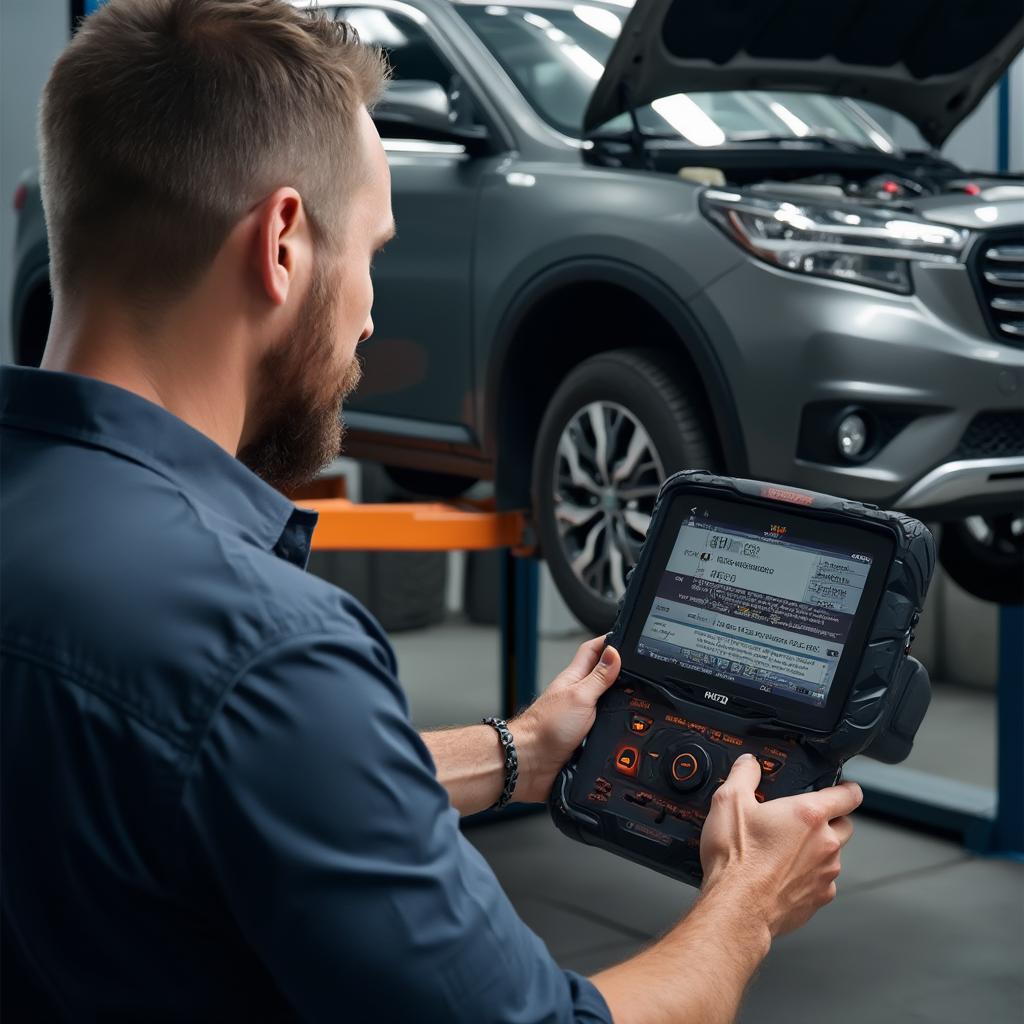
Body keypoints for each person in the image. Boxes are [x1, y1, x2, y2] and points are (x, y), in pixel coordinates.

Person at [0, 2, 863, 1021]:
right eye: (369, 250)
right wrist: (746, 903)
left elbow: (232, 772)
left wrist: (520, 752)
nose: (369, 312)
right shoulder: (264, 648)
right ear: (282, 244)